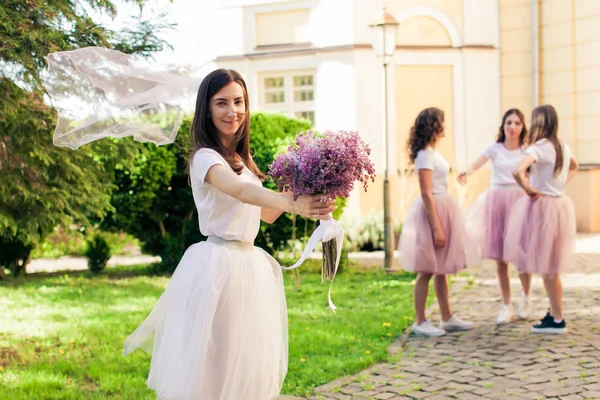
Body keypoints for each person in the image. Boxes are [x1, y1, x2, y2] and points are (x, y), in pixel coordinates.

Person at [122, 69, 336, 399]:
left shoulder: (242, 160)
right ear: (206, 109)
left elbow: (264, 213)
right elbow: (239, 191)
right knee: (215, 362)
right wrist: (295, 204)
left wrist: (309, 188)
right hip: (217, 267)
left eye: (239, 102)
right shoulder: (205, 158)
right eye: (221, 103)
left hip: (249, 267)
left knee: (246, 361)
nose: (232, 111)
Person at [398, 107, 475, 337]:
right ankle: (420, 321)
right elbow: (426, 193)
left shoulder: (432, 152)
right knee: (427, 270)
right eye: (442, 122)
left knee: (441, 270)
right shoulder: (425, 155)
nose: (445, 127)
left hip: (443, 208)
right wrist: (437, 227)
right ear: (434, 126)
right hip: (432, 214)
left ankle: (447, 316)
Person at [504, 104, 578, 334]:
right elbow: (575, 166)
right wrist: (560, 184)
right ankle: (555, 312)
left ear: (538, 123)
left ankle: (557, 320)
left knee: (548, 267)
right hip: (560, 206)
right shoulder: (562, 146)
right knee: (552, 265)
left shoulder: (539, 148)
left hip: (542, 209)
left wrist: (528, 189)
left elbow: (517, 170)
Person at [457, 109, 532, 324]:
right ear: (503, 126)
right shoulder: (495, 149)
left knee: (522, 255)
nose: (513, 126)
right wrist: (466, 171)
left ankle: (526, 297)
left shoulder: (526, 150)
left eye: (517, 123)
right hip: (497, 202)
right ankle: (506, 305)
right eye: (509, 122)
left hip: (520, 202)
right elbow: (476, 164)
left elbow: (535, 173)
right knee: (501, 258)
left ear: (522, 127)